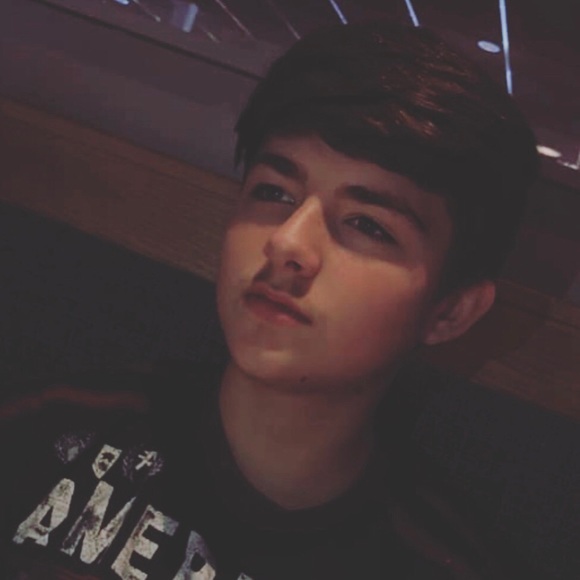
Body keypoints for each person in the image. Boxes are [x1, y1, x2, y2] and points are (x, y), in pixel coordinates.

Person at [0, 18, 538, 580]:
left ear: (450, 311)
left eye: (368, 224)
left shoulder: (437, 561)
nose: (287, 242)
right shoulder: (54, 432)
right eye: (274, 192)